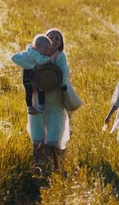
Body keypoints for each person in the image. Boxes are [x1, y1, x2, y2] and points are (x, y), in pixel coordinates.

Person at [27, 28, 73, 170]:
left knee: (54, 135)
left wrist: (51, 82)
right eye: (50, 37)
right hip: (36, 100)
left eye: (57, 39)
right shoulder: (34, 55)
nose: (53, 41)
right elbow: (26, 74)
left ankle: (55, 167)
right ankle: (38, 167)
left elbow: (64, 77)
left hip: (54, 101)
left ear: (60, 44)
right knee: (37, 135)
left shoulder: (60, 57)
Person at [11, 34, 52, 115]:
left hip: (30, 73)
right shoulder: (34, 54)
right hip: (29, 74)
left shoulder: (29, 51)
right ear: (38, 48)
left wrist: (26, 63)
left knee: (32, 91)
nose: (47, 52)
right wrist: (48, 58)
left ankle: (31, 107)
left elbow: (14, 57)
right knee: (36, 89)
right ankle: (39, 106)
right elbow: (40, 61)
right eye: (46, 50)